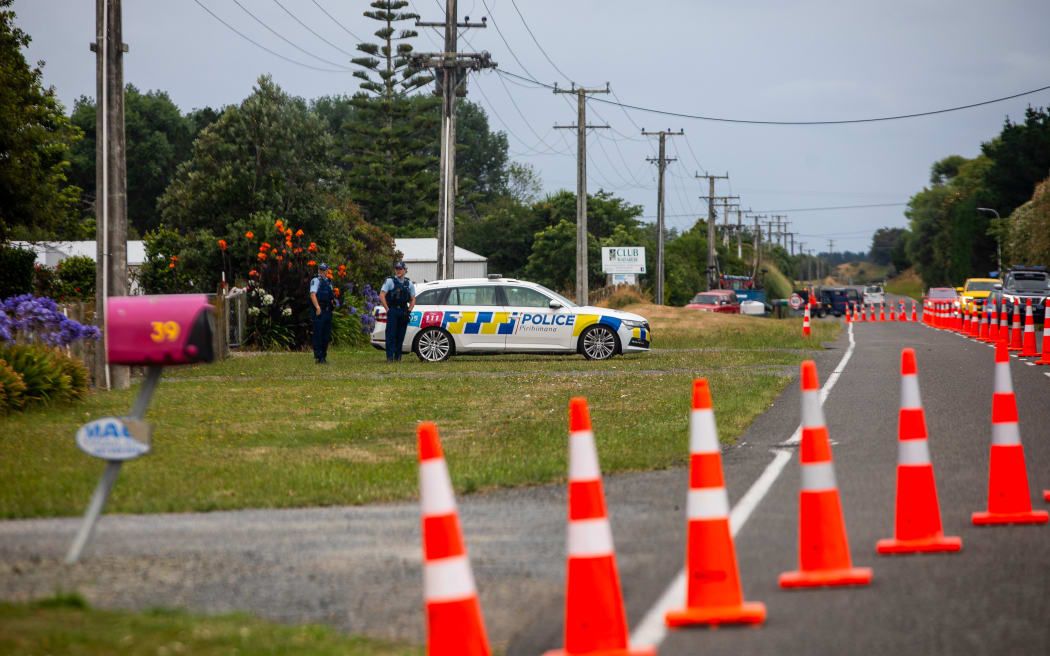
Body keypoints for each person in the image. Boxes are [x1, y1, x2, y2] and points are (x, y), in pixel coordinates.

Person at [379, 261, 415, 362]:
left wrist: (409, 310)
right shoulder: (390, 281)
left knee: (401, 335)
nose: (398, 271)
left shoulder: (409, 283)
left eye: (400, 269)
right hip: (393, 310)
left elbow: (413, 299)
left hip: (403, 311)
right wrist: (387, 309)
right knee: (391, 334)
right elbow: (382, 295)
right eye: (396, 269)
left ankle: (398, 357)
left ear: (405, 270)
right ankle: (389, 357)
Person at [309, 263, 335, 364]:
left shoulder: (328, 282)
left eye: (325, 270)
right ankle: (318, 356)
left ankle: (323, 356)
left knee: (326, 334)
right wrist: (317, 307)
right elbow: (312, 294)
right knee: (318, 333)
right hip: (320, 310)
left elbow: (331, 295)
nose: (324, 272)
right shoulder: (316, 280)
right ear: (319, 270)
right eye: (322, 270)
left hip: (328, 311)